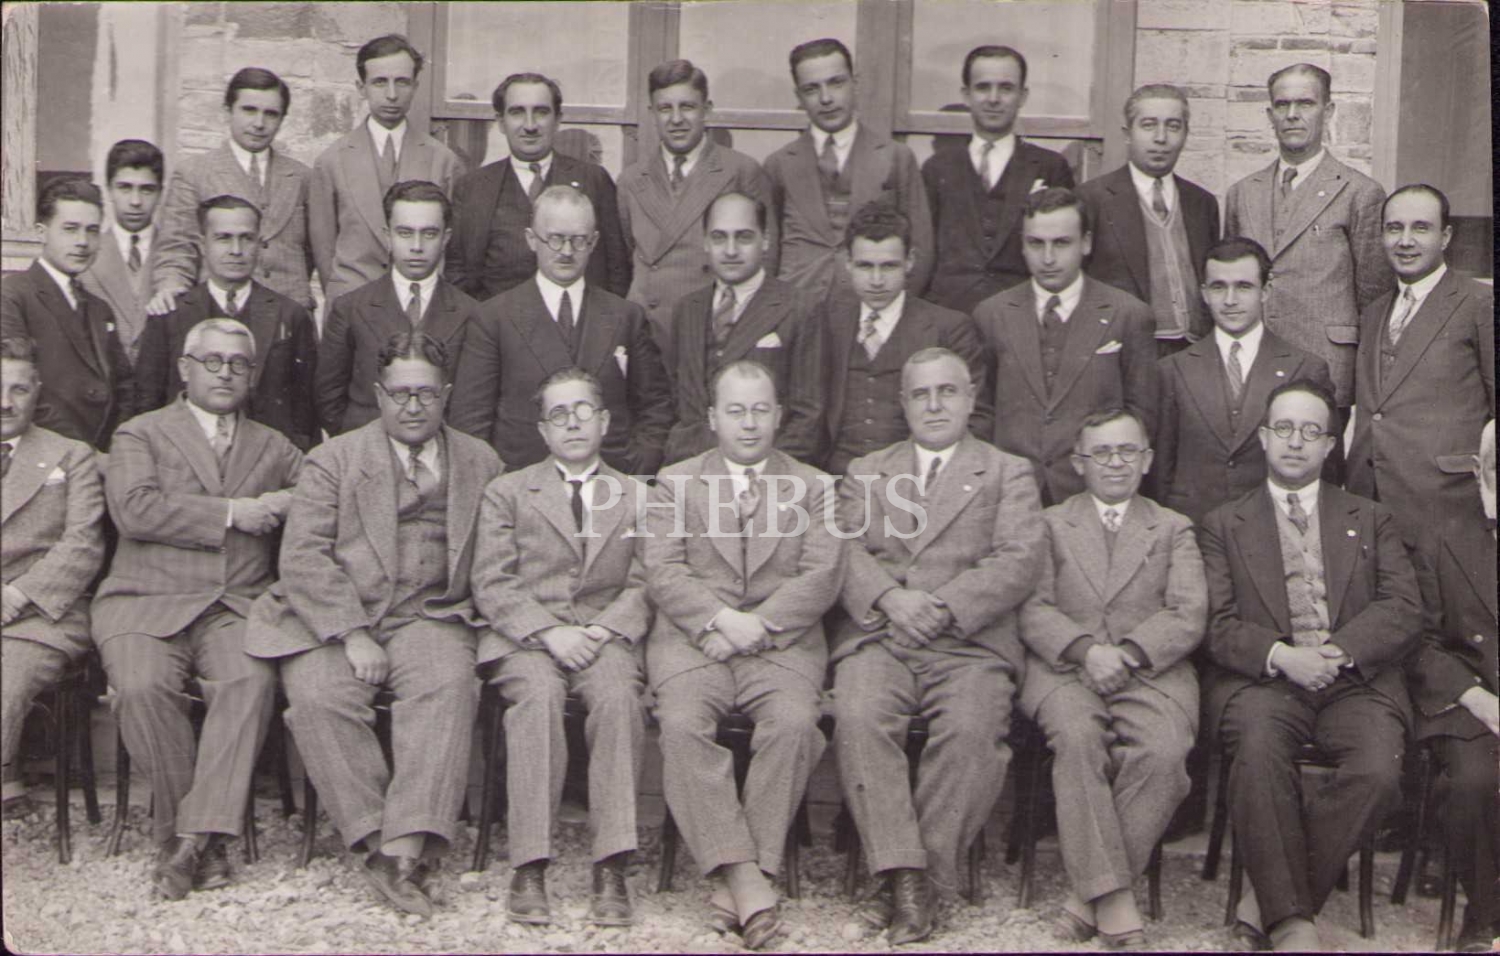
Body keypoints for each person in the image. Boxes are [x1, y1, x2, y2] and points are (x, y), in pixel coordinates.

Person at [246, 332, 500, 918]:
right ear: (378, 395)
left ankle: (404, 848)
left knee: (447, 686)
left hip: (430, 613)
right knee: (318, 696)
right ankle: (373, 836)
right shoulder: (333, 459)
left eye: (426, 394)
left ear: (446, 396)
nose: (413, 406)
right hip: (338, 615)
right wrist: (352, 633)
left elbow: (495, 552)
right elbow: (303, 556)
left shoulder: (480, 461)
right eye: (400, 394)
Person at [1199, 378, 1420, 951]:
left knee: (1378, 770)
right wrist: (1284, 657)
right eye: (1284, 428)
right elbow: (1217, 624)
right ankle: (1295, 925)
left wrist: (1336, 651)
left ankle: (1265, 903)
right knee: (1257, 750)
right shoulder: (1223, 523)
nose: (1295, 442)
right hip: (1267, 683)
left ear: (1329, 445)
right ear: (1263, 438)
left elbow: (1402, 606)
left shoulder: (1370, 517)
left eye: (1310, 431)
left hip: (1355, 682)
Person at [833, 348, 1043, 943]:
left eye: (947, 391)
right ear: (903, 404)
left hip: (969, 645)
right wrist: (891, 600)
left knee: (973, 733)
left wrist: (944, 606)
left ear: (971, 399)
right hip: (884, 636)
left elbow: (1020, 559)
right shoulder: (868, 470)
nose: (934, 405)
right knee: (858, 715)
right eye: (920, 394)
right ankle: (905, 876)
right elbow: (842, 548)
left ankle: (919, 878)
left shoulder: (1006, 471)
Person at [92, 317, 302, 900]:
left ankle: (186, 843)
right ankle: (196, 839)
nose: (225, 373)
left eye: (238, 363)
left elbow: (322, 486)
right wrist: (234, 513)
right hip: (145, 600)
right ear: (185, 369)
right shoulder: (140, 434)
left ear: (252, 374)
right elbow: (135, 510)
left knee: (249, 681)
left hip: (234, 604)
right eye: (212, 361)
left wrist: (282, 500)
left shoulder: (273, 443)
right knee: (141, 687)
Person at [644, 360, 845, 950]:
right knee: (682, 725)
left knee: (795, 724)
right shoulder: (675, 481)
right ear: (712, 418)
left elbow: (822, 575)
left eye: (760, 410)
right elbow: (663, 568)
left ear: (779, 416)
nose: (750, 423)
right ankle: (746, 877)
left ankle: (737, 882)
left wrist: (751, 628)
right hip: (695, 641)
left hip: (781, 645)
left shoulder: (815, 487)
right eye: (736, 410)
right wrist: (720, 620)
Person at [1020, 408, 1206, 950]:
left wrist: (1126, 654)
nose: (1116, 462)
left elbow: (1188, 612)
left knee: (1165, 752)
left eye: (1127, 451)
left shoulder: (1172, 527)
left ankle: (1087, 897)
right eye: (1101, 452)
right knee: (1078, 740)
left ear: (1146, 460)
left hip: (1150, 670)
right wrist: (1085, 651)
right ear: (1079, 463)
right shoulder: (1050, 524)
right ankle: (1115, 898)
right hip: (1066, 668)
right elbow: (1031, 606)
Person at [471, 367, 650, 927]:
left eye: (583, 411)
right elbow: (492, 580)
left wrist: (602, 631)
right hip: (527, 637)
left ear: (605, 422)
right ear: (543, 430)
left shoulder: (639, 496)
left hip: (603, 637)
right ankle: (530, 864)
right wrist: (549, 632)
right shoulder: (507, 492)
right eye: (558, 415)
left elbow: (648, 582)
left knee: (619, 698)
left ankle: (611, 864)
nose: (572, 424)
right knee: (539, 698)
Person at [450, 185, 671, 475]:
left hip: (612, 485)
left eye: (578, 241)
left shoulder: (626, 317)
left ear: (593, 242)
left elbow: (655, 408)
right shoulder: (493, 318)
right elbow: (471, 423)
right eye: (555, 239)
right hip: (522, 486)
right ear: (531, 239)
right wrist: (501, 486)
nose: (567, 252)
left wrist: (637, 469)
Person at [1224, 63, 1391, 418]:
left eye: (1305, 103)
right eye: (1282, 105)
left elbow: (1374, 296)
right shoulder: (1242, 194)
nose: (1292, 115)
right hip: (1254, 363)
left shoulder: (1360, 193)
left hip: (1325, 365)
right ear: (1270, 115)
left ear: (1328, 112)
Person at [974, 187, 1158, 506]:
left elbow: (1142, 415)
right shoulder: (991, 315)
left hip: (1093, 497)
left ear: (1086, 243)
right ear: (1022, 245)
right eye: (1036, 243)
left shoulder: (1128, 315)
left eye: (1061, 243)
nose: (1048, 258)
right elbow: (981, 411)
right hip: (1011, 495)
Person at [1345, 183, 1495, 544]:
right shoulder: (1373, 311)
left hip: (1448, 505)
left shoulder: (1480, 303)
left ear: (1445, 237)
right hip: (1369, 499)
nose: (1405, 241)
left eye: (1421, 228)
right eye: (1394, 228)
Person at [1154, 237, 1334, 525]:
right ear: (1204, 293)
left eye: (1243, 287)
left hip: (1273, 531)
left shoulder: (1305, 368)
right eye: (1218, 287)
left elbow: (1327, 474)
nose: (1230, 300)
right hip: (1195, 530)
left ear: (1266, 290)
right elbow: (1161, 471)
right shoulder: (1172, 370)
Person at [0, 336, 106, 819]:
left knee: (7, 676)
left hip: (44, 613)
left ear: (38, 392)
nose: (5, 402)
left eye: (19, 389)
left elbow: (82, 545)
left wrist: (17, 594)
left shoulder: (70, 455)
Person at [1408, 420, 1498, 953]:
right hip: (1468, 701)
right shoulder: (1443, 535)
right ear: (1479, 469)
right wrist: (1478, 699)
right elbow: (1419, 643)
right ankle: (1487, 916)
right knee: (1471, 784)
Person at [134, 195, 319, 451]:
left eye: (246, 238)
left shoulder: (290, 315)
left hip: (266, 461)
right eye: (223, 238)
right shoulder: (170, 315)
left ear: (259, 244)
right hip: (184, 459)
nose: (236, 250)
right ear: (203, 245)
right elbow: (146, 404)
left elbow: (306, 412)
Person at [823, 204, 989, 475]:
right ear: (848, 263)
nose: (877, 280)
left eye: (889, 266)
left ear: (909, 261)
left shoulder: (948, 329)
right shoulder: (827, 323)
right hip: (836, 477)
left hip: (916, 480)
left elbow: (976, 417)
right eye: (865, 266)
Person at [617, 59, 777, 339]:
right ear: (652, 113)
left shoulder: (741, 171)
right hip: (648, 330)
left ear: (707, 110)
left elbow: (766, 259)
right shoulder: (631, 180)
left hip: (714, 328)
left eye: (687, 107)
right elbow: (624, 259)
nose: (676, 119)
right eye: (665, 108)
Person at [661, 191, 824, 466]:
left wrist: (764, 475)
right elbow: (677, 403)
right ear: (705, 242)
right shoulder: (687, 309)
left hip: (767, 472)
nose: (731, 250)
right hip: (690, 467)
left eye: (744, 237)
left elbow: (808, 415)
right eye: (719, 237)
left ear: (766, 240)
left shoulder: (799, 307)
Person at [764, 38, 933, 302]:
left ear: (855, 84)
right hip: (797, 305)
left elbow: (921, 248)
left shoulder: (895, 157)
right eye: (811, 89)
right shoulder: (780, 164)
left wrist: (892, 310)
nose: (826, 98)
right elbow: (768, 249)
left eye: (836, 83)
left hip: (870, 307)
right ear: (798, 97)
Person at [446, 72, 631, 302]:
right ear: (501, 122)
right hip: (496, 322)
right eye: (517, 112)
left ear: (558, 119)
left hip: (578, 320)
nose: (530, 125)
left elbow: (617, 270)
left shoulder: (594, 181)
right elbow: (457, 273)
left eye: (541, 112)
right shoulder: (472, 188)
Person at [310, 34, 465, 307]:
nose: (392, 95)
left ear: (415, 86)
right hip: (353, 305)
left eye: (402, 82)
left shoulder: (444, 161)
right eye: (380, 82)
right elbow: (324, 252)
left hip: (420, 306)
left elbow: (452, 250)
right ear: (361, 87)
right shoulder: (331, 161)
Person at [317, 180, 478, 436]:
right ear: (387, 236)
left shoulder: (472, 313)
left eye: (429, 234)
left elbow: (472, 405)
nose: (417, 246)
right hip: (368, 451)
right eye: (405, 233)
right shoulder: (350, 309)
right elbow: (328, 398)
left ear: (446, 238)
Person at [922, 44, 1075, 312]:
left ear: (1022, 96)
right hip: (949, 314)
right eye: (983, 87)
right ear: (966, 95)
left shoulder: (1050, 166)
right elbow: (923, 250)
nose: (993, 99)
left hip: (1023, 316)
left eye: (1006, 88)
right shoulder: (937, 169)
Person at [151, 67, 314, 313]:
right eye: (249, 110)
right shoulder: (194, 173)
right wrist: (171, 288)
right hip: (219, 314)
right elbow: (177, 247)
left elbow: (313, 252)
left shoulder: (302, 177)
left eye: (271, 114)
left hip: (289, 315)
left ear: (282, 119)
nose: (259, 123)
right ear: (228, 111)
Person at [1077, 84, 1220, 357]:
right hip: (1123, 350)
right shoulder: (1092, 198)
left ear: (1185, 134)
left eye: (1173, 126)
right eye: (1148, 125)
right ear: (1127, 134)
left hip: (1195, 353)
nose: (1160, 138)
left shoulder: (1202, 203)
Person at [0, 178, 134, 451]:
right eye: (70, 229)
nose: (82, 242)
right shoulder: (12, 295)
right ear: (41, 233)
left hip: (103, 453)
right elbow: (19, 389)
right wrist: (82, 453)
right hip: (44, 453)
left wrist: (115, 449)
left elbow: (125, 388)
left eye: (92, 231)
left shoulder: (100, 309)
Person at [81, 139, 166, 365]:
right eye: (125, 188)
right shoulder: (86, 255)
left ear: (160, 193)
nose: (135, 201)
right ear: (109, 189)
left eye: (147, 189)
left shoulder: (176, 255)